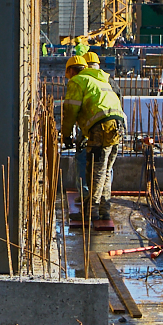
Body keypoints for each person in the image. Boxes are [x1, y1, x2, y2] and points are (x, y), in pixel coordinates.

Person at [62, 55, 125, 220]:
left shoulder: (77, 81)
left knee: (95, 171)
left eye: (67, 74)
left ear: (71, 70)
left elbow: (70, 111)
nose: (67, 78)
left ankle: (91, 212)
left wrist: (67, 135)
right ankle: (104, 210)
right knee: (104, 171)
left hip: (102, 127)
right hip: (117, 125)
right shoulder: (99, 80)